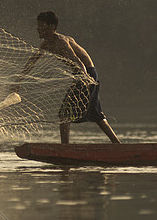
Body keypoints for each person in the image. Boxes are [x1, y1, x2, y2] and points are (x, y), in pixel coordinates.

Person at [23, 11, 121, 144]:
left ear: (52, 27)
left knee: (64, 114)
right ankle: (117, 144)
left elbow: (78, 61)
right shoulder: (46, 44)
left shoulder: (62, 42)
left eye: (42, 25)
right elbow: (32, 61)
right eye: (38, 25)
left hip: (87, 74)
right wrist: (19, 80)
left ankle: (65, 148)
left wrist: (85, 79)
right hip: (82, 75)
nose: (38, 28)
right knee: (95, 113)